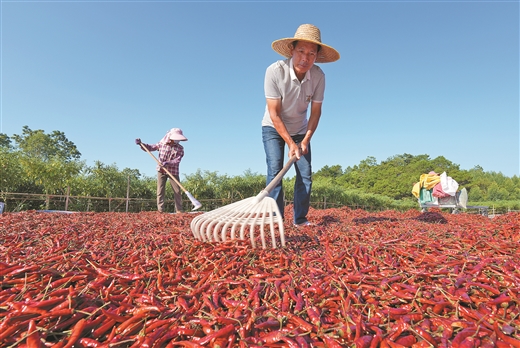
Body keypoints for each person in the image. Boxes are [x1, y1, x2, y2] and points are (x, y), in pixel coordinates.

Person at [262, 24, 340, 227]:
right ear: (291, 51)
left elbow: (316, 113)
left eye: (311, 54)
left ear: (317, 56)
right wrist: (290, 143)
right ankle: (274, 220)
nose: (305, 58)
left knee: (305, 174)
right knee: (275, 170)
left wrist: (305, 140)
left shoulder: (318, 76)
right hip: (273, 127)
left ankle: (300, 219)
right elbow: (274, 113)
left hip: (300, 130)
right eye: (301, 52)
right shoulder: (275, 72)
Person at [135, 128, 188, 213]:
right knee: (160, 190)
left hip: (173, 171)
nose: (178, 141)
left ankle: (179, 209)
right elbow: (150, 147)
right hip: (161, 170)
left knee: (177, 190)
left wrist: (167, 163)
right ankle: (160, 210)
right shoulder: (162, 144)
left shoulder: (180, 148)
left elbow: (177, 161)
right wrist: (141, 144)